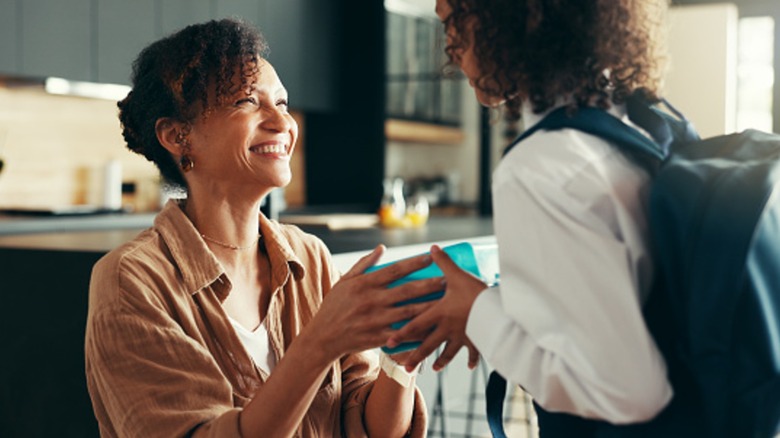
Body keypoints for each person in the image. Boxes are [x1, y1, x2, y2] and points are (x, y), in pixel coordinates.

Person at [84, 18, 439, 438]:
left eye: (283, 103)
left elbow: (366, 426)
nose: (282, 123)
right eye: (246, 102)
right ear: (179, 136)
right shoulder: (133, 280)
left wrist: (402, 354)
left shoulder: (310, 257)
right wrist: (319, 342)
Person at [387, 0, 675, 434]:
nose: (448, 42)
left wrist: (478, 311)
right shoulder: (633, 131)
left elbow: (626, 390)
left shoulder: (540, 166)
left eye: (452, 20)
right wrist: (497, 307)